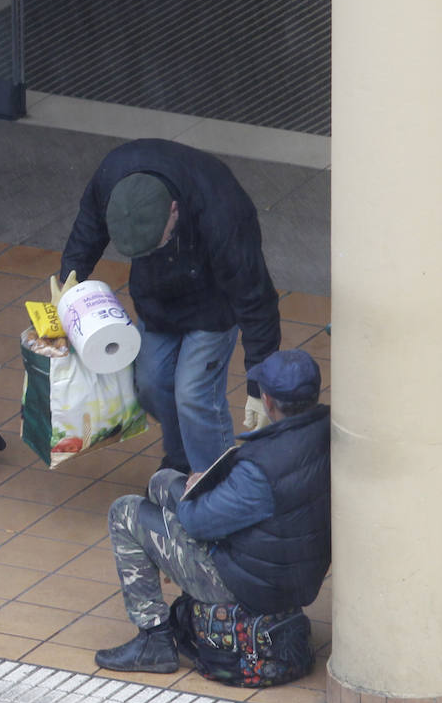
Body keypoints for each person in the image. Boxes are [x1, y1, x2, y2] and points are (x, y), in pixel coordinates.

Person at [95, 349, 330, 673]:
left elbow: (196, 523)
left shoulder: (263, 465)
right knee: (163, 481)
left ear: (268, 401)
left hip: (251, 586)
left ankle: (154, 640)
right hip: (294, 573)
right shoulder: (326, 431)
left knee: (125, 512)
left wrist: (200, 489)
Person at [55, 139, 280, 474]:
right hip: (156, 296)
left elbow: (255, 299)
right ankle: (181, 462)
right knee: (150, 385)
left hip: (213, 303)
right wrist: (68, 285)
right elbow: (88, 227)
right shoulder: (114, 174)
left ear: (174, 210)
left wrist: (258, 385)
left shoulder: (224, 213)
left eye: (155, 243)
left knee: (192, 396)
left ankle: (213, 485)